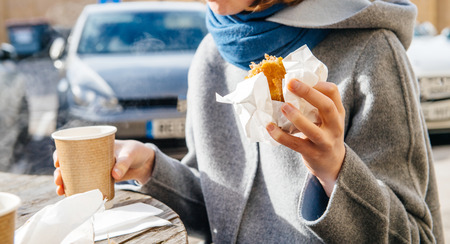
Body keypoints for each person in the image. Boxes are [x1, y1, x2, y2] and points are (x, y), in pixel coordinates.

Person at [54, 0, 444, 243]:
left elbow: (417, 238)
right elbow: (220, 208)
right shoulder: (211, 55)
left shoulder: (372, 51)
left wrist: (335, 173)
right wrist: (150, 166)